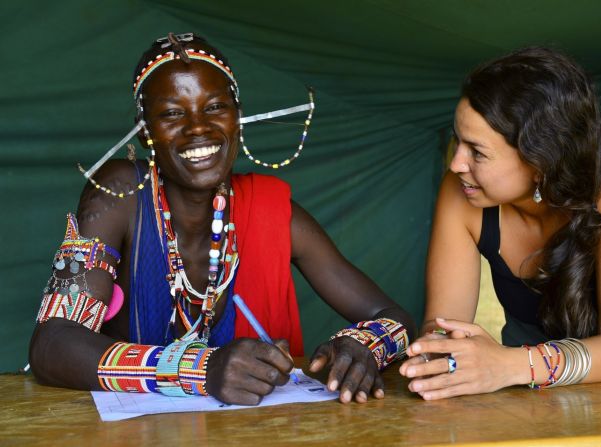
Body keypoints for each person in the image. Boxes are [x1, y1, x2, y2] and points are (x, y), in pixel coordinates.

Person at [29, 33, 415, 406]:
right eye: (172, 114)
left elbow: (395, 318)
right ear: (145, 131)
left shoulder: (272, 213)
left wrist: (363, 347)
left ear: (237, 117)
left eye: (214, 107)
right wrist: (200, 368)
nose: (198, 128)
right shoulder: (119, 196)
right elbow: (51, 343)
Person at [399, 47, 601, 398]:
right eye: (457, 140)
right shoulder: (461, 190)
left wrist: (510, 365)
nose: (456, 164)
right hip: (525, 356)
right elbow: (443, 326)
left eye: (477, 152)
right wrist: (439, 357)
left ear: (540, 160)